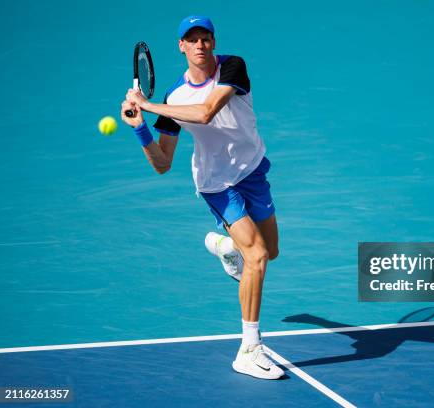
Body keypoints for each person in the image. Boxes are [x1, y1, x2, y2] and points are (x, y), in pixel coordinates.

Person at [120, 15, 283, 380]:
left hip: (252, 170)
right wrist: (140, 129)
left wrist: (147, 106)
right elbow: (163, 163)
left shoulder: (233, 67)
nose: (199, 45)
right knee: (257, 257)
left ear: (213, 41)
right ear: (181, 46)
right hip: (217, 184)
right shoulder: (175, 97)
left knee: (270, 251)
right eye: (191, 40)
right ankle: (249, 349)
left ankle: (228, 247)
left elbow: (207, 112)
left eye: (205, 38)